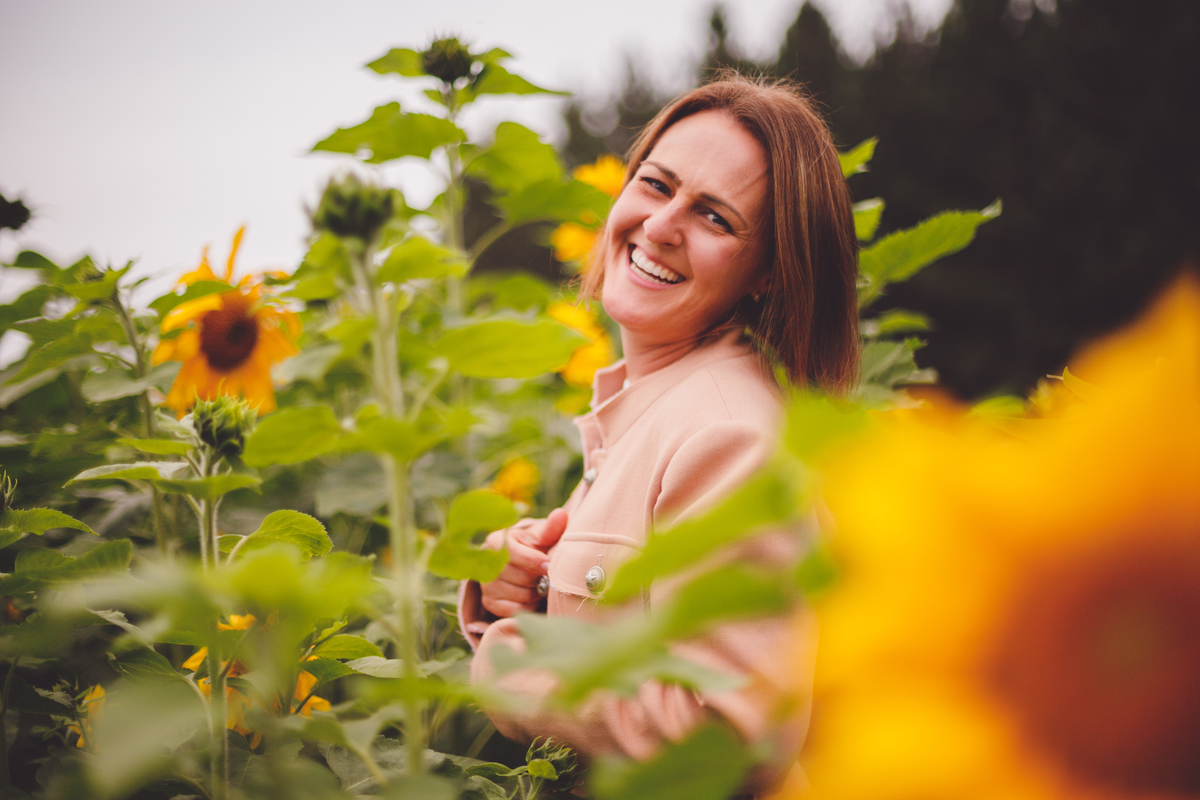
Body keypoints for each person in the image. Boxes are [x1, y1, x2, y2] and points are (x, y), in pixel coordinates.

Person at [458, 73, 859, 794]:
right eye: (656, 183)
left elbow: (730, 736)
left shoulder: (729, 435)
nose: (662, 225)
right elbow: (635, 638)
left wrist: (517, 664)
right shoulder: (655, 407)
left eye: (715, 217)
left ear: (767, 273)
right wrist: (522, 594)